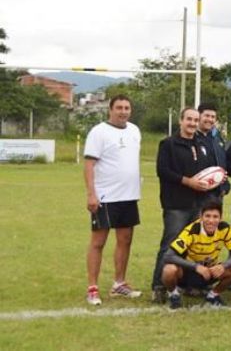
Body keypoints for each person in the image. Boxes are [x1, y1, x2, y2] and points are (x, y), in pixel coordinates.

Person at [151, 107, 216, 302]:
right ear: (181, 121)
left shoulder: (202, 143)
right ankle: (159, 286)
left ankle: (190, 285)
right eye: (189, 119)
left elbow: (206, 171)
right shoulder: (168, 144)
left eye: (196, 120)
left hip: (199, 203)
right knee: (170, 245)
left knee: (194, 246)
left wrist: (214, 179)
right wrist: (188, 182)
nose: (192, 123)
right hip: (176, 204)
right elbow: (162, 171)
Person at [83, 94, 142, 306]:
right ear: (111, 109)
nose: (123, 111)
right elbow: (89, 165)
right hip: (105, 198)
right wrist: (91, 193)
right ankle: (92, 288)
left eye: (127, 107)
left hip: (129, 196)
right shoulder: (99, 132)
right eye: (119, 107)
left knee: (125, 240)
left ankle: (119, 283)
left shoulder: (135, 130)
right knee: (98, 242)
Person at [161, 200, 231, 309]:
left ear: (221, 218)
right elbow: (168, 256)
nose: (211, 220)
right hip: (188, 273)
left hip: (209, 272)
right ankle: (174, 295)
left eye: (215, 217)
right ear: (201, 216)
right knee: (169, 269)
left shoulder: (225, 228)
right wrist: (196, 267)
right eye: (207, 216)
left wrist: (223, 266)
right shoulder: (192, 230)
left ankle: (213, 295)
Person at [196, 102, 230, 204]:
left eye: (213, 117)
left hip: (216, 194)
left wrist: (224, 187)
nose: (210, 119)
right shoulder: (192, 138)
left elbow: (222, 163)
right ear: (199, 116)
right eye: (207, 116)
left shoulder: (217, 138)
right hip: (197, 195)